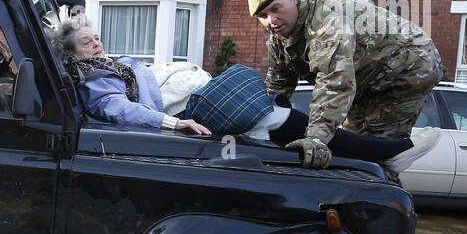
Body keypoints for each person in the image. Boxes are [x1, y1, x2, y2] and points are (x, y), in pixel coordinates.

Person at [249, 0, 444, 169]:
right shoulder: (279, 37)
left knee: (376, 156)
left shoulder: (326, 22)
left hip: (408, 66)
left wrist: (316, 139)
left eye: (276, 9)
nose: (271, 20)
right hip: (366, 77)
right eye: (263, 16)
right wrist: (256, 120)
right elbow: (278, 86)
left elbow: (335, 81)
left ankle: (396, 163)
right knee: (352, 151)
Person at [183, 63, 441, 175]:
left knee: (330, 143)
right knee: (324, 138)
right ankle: (391, 152)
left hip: (249, 121)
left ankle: (389, 154)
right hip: (252, 119)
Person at [56, 18, 210, 135]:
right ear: (72, 54)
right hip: (182, 103)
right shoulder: (94, 80)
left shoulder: (105, 64)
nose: (96, 44)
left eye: (96, 38)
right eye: (86, 43)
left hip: (184, 82)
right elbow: (122, 110)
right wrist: (174, 123)